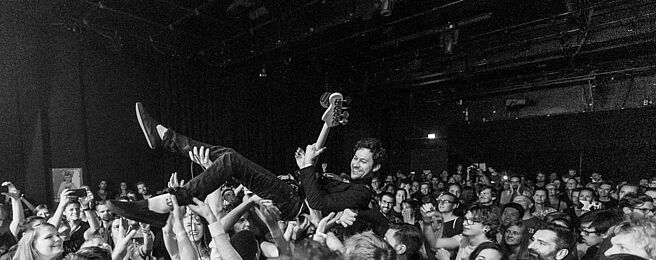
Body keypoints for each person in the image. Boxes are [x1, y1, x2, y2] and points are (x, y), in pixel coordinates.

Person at [107, 102, 386, 227]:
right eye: (355, 157)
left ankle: (172, 202)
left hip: (293, 205)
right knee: (229, 156)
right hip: (290, 195)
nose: (356, 163)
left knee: (229, 160)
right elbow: (315, 190)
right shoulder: (345, 180)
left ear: (375, 168)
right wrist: (306, 167)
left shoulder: (363, 193)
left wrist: (306, 170)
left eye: (363, 161)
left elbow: (318, 203)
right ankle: (166, 137)